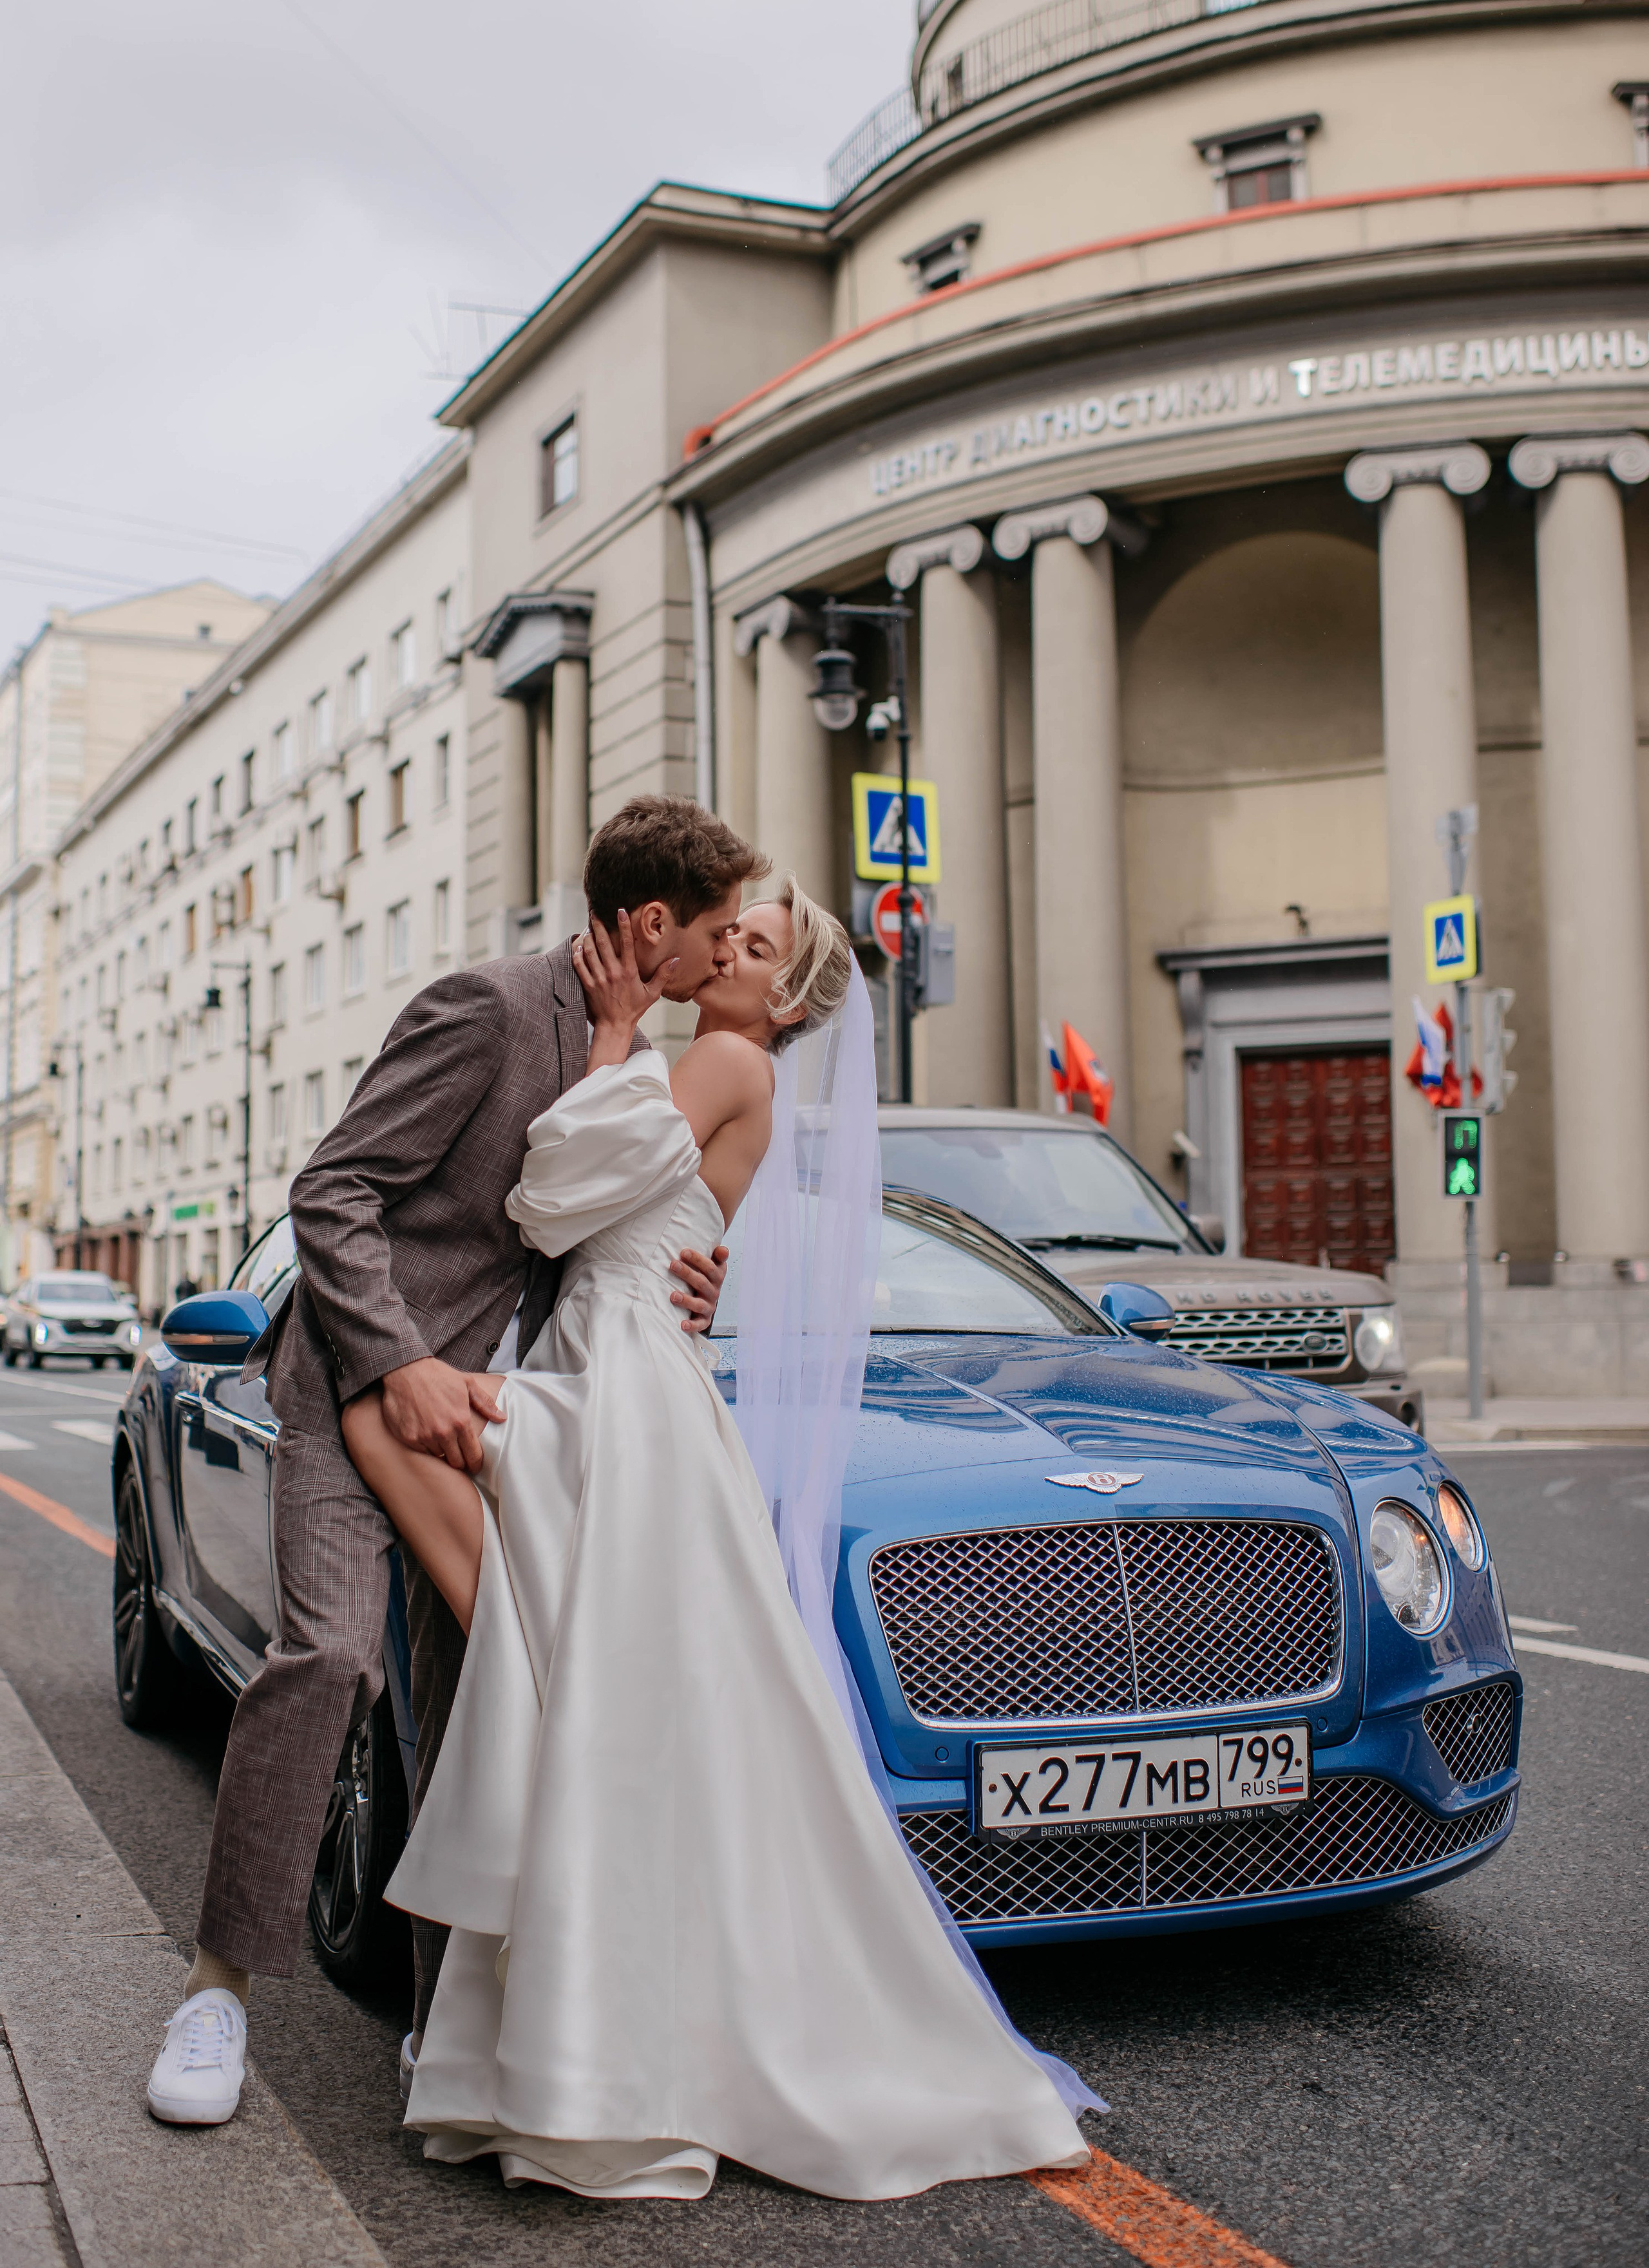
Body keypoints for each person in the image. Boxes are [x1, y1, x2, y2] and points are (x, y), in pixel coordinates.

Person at [337, 876, 1098, 2201]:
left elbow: (551, 1197)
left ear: (787, 998)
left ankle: (515, 1677)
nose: (725, 948)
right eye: (729, 930)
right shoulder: (723, 1069)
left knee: (396, 1438)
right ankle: (519, 1676)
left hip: (625, 1387)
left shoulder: (726, 1059)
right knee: (629, 1713)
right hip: (623, 1369)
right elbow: (624, 1204)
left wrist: (619, 1040)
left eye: (753, 945)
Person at [145, 797, 761, 2128]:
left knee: (492, 1701)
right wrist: (399, 1361)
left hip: (507, 1421)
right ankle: (215, 1996)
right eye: (715, 931)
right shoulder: (484, 1007)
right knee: (331, 1657)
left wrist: (700, 1275)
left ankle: (449, 2027)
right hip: (360, 1387)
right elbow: (334, 1190)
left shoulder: (636, 1053)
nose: (726, 954)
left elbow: (622, 1225)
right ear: (652, 926)